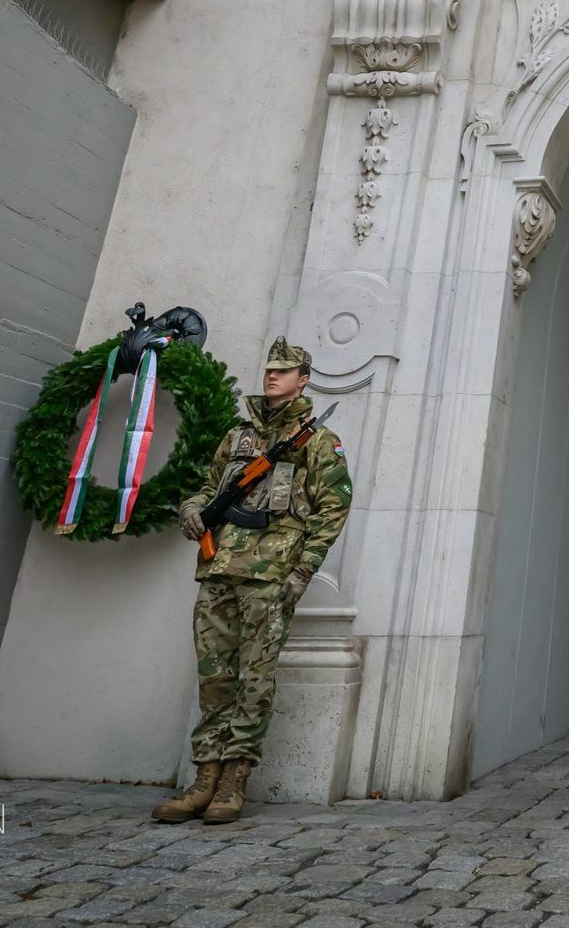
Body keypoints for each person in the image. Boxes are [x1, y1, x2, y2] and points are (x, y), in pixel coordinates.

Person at [151, 337, 352, 825]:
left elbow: (335, 505)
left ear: (303, 379)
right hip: (219, 568)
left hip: (271, 574)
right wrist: (193, 509)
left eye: (283, 371)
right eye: (269, 370)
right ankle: (204, 777)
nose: (271, 376)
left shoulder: (316, 441)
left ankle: (235, 778)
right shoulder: (236, 437)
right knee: (215, 677)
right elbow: (208, 485)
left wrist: (304, 569)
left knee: (254, 678)